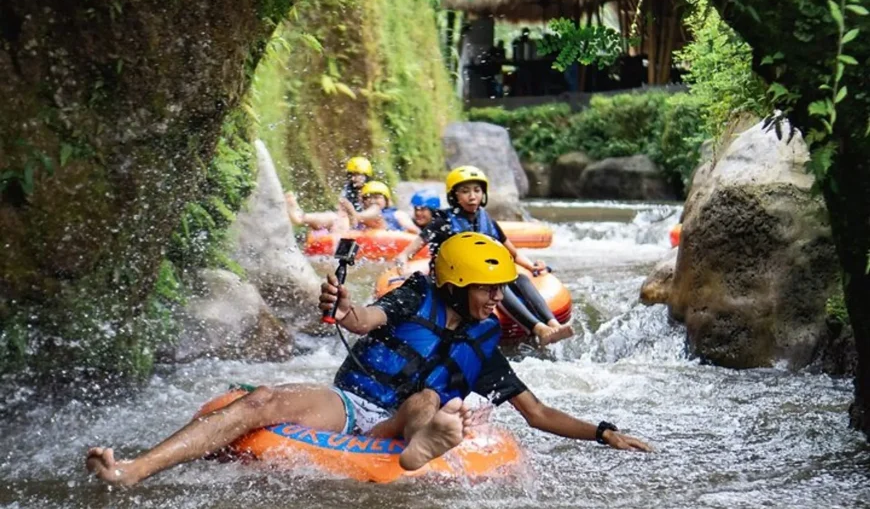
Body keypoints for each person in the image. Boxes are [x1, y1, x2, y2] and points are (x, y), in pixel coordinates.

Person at [85, 234, 651, 487]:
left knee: (431, 400)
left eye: (501, 290)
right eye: (488, 289)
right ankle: (132, 470)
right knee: (260, 401)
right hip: (352, 407)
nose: (497, 300)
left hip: (407, 421)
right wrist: (342, 305)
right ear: (454, 284)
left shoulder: (483, 346)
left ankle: (420, 447)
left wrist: (604, 432)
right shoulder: (412, 296)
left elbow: (541, 414)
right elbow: (362, 321)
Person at [396, 166, 573, 347]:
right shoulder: (442, 222)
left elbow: (513, 253)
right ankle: (539, 329)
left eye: (477, 190)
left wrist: (532, 267)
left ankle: (553, 324)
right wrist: (401, 266)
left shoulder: (487, 221)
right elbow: (407, 253)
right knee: (497, 287)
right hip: (457, 282)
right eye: (465, 191)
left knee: (520, 279)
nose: (472, 196)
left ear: (483, 193)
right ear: (454, 195)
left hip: (484, 275)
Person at [284, 156, 373, 231]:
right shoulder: (348, 190)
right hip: (349, 224)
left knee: (339, 220)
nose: (354, 178)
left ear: (366, 176)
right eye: (352, 175)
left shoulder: (374, 192)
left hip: (366, 227)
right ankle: (301, 217)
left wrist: (352, 212)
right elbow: (341, 211)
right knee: (333, 217)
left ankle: (302, 218)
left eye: (358, 175)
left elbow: (374, 214)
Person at [341, 181, 418, 233]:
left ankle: (358, 217)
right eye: (368, 198)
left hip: (387, 235)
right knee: (339, 218)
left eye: (377, 197)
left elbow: (412, 229)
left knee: (376, 211)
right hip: (366, 237)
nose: (372, 201)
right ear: (363, 201)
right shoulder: (362, 214)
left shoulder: (398, 214)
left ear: (386, 200)